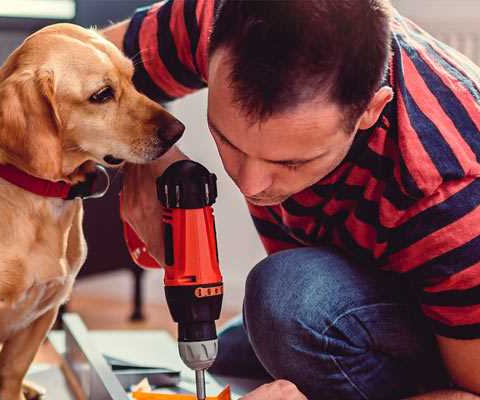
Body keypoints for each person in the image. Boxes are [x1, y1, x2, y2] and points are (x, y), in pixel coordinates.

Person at [101, 1, 480, 399]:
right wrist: (148, 156)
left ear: (370, 110)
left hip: (455, 339)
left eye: (290, 162)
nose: (250, 185)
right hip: (364, 281)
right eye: (227, 140)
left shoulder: (448, 192)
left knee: (289, 303)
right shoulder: (228, 20)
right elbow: (74, 65)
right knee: (233, 357)